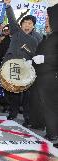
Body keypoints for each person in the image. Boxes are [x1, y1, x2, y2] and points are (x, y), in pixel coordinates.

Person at [2, 0, 42, 125]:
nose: (27, 25)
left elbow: (39, 55)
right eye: (25, 22)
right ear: (21, 24)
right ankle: (12, 113)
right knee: (14, 92)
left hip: (27, 69)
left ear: (33, 26)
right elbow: (11, 18)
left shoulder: (38, 38)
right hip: (12, 66)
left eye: (30, 23)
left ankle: (27, 117)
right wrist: (8, 6)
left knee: (27, 94)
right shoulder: (15, 31)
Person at [29, 3, 58, 141]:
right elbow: (40, 53)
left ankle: (53, 133)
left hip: (52, 77)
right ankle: (39, 124)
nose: (46, 20)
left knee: (50, 105)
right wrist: (33, 61)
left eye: (48, 18)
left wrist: (45, 58)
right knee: (40, 103)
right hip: (41, 76)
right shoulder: (49, 36)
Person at [0, 24, 11, 113]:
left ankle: (15, 106)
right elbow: (0, 52)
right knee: (6, 86)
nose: (8, 31)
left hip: (16, 65)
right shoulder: (3, 39)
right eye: (6, 30)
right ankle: (6, 105)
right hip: (5, 64)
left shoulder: (19, 39)